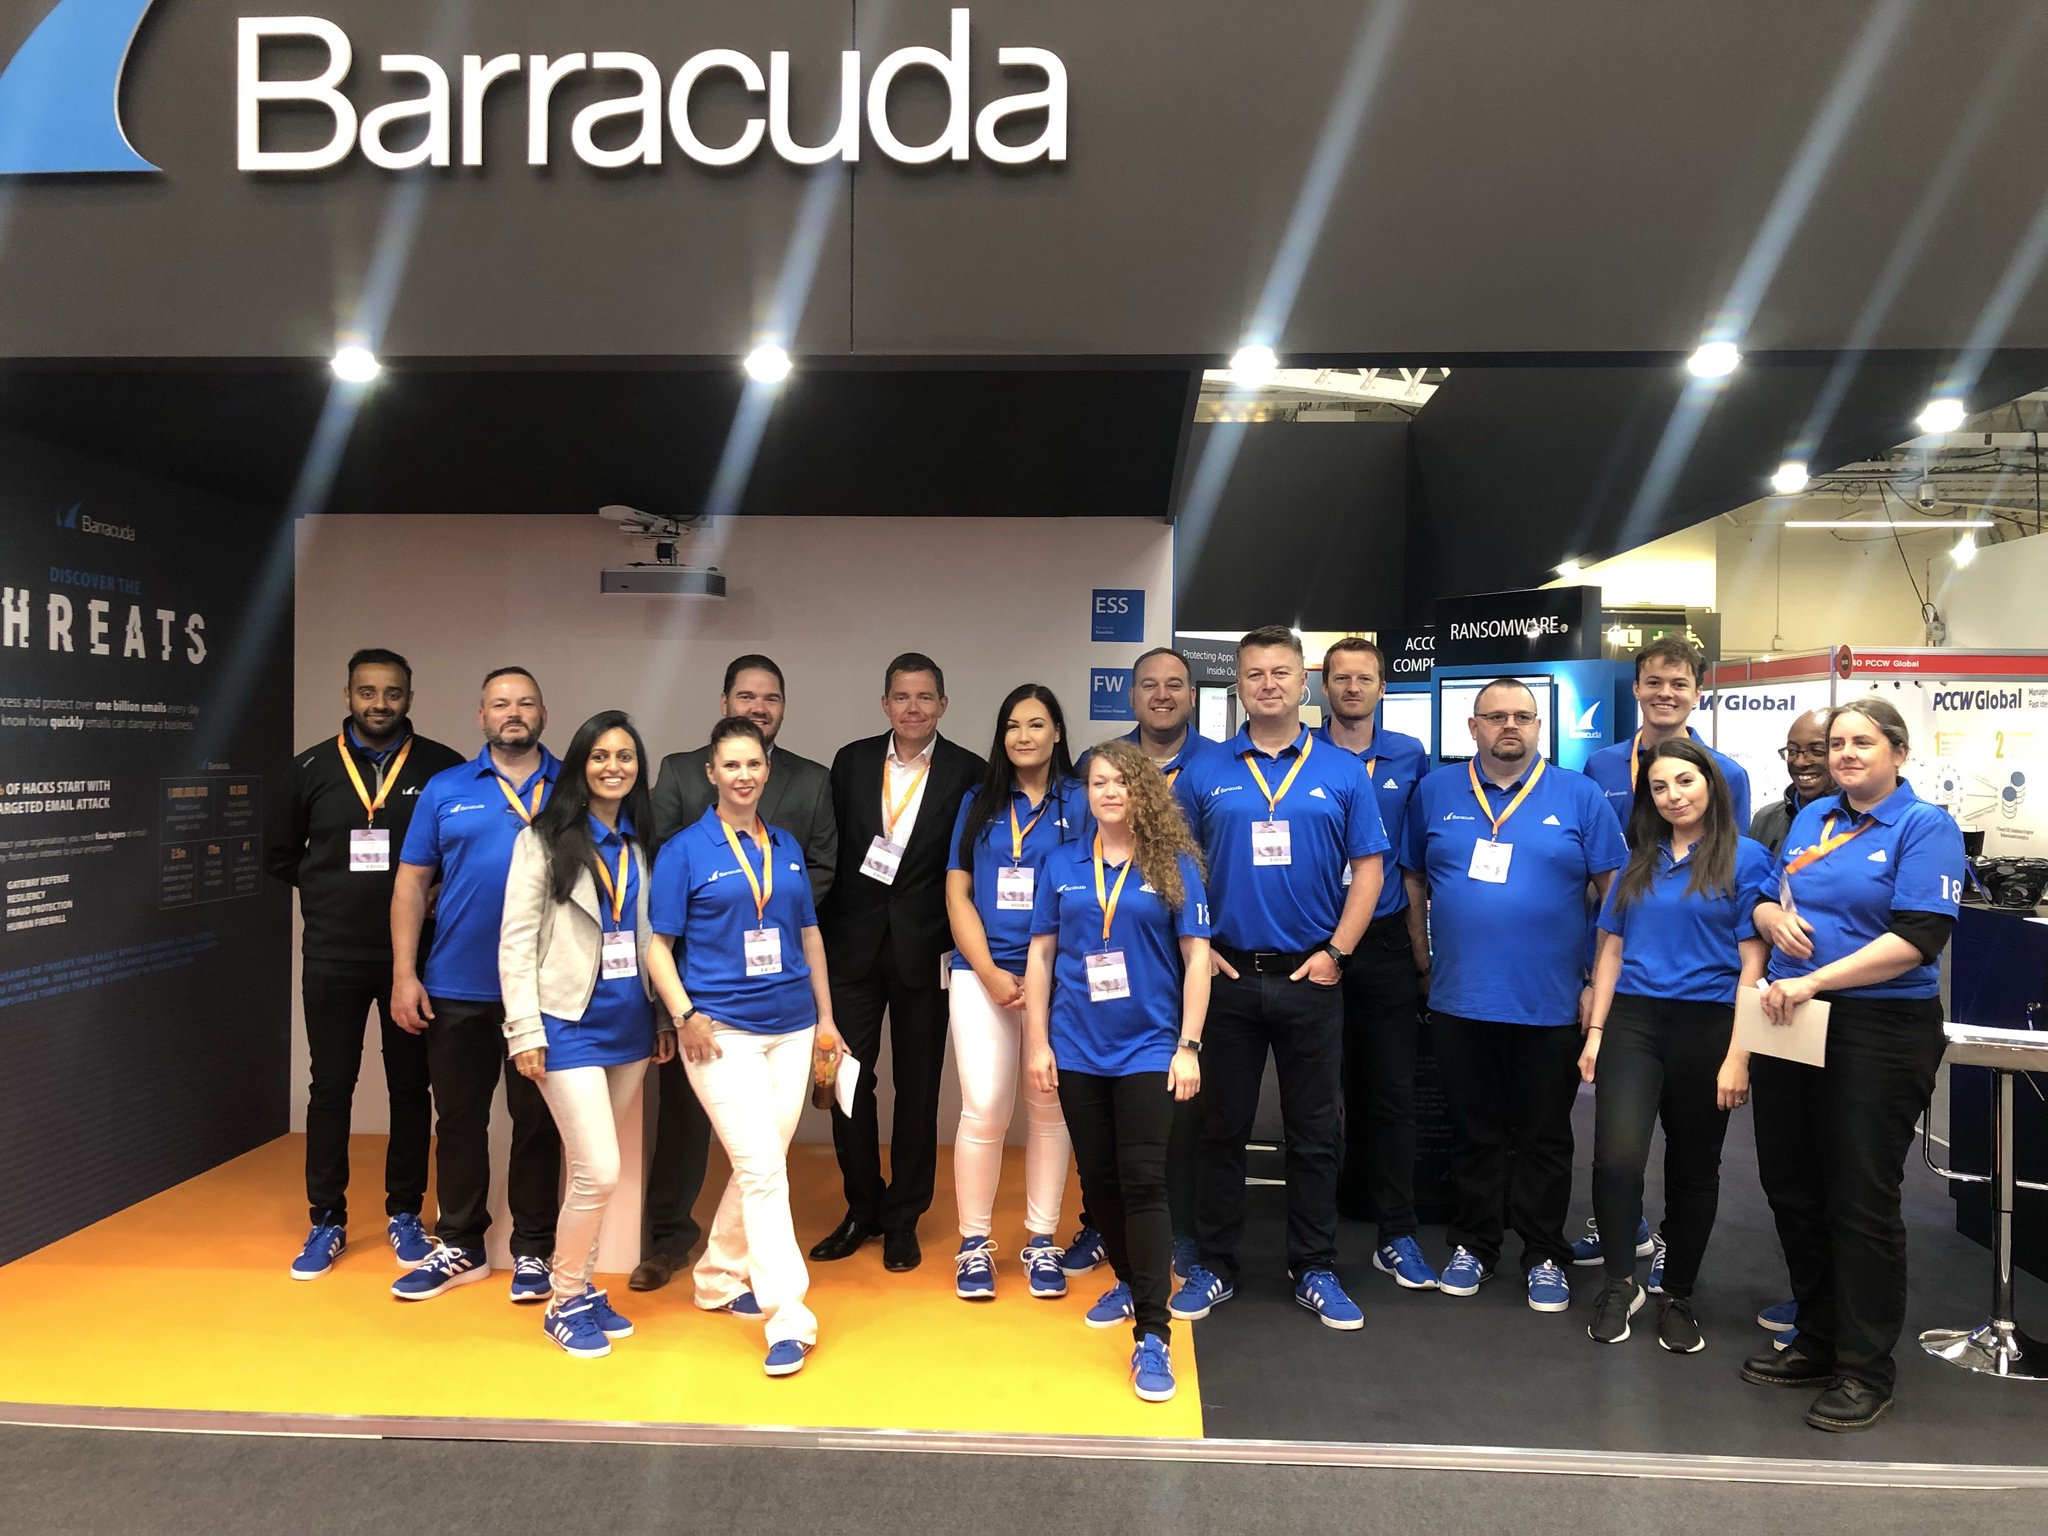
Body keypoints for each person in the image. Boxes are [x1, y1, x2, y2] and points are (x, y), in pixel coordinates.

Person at [1741, 698, 1962, 1432]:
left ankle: (1865, 1369)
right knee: (1793, 1185)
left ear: (1898, 751)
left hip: (1878, 1025)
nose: (1844, 754)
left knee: (1860, 1197)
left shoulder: (1924, 827)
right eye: (1836, 743)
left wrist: (1815, 980)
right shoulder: (1813, 818)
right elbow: (1768, 895)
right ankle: (1817, 1337)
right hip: (1792, 1018)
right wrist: (1771, 917)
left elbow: (1919, 937)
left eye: (1862, 742)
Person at [1168, 625, 1386, 1331]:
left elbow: (1370, 870)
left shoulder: (1342, 771)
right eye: (1255, 673)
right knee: (1220, 1129)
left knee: (1316, 1132)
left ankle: (1314, 1265)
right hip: (1228, 975)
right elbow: (1177, 865)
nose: (1268, 684)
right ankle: (1216, 1264)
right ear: (1238, 685)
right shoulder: (1204, 769)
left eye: (1281, 673)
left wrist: (1339, 953)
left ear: (1304, 683)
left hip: (1311, 976)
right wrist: (1200, 948)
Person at [1403, 678, 1627, 1313]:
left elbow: (1615, 892)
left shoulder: (1579, 795)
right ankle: (1474, 1244)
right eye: (1496, 716)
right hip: (1460, 998)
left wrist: (1596, 983)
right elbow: (1413, 877)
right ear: (1472, 727)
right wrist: (1422, 958)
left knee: (1543, 1136)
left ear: (1538, 727)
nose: (1510, 726)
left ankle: (1544, 1253)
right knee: (1472, 1133)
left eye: (1522, 717)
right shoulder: (1435, 791)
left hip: (1550, 1001)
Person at [631, 656, 838, 1294]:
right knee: (753, 1164)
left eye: (753, 765)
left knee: (762, 1159)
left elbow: (810, 922)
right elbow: (660, 923)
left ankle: (719, 1273)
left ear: (766, 768)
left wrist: (826, 1019)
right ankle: (785, 1305)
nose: (744, 774)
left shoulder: (793, 829)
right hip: (714, 1015)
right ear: (711, 770)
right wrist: (680, 1013)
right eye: (732, 765)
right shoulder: (682, 825)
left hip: (790, 1019)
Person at [265, 648, 463, 1279]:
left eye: (393, 693)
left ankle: (405, 1212)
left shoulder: (442, 768)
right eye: (368, 692)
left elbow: (461, 853)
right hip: (333, 954)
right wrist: (332, 890)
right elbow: (279, 854)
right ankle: (327, 1218)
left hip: (415, 959)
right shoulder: (309, 769)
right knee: (330, 1087)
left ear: (410, 698)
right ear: (348, 695)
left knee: (411, 1086)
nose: (380, 704)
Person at [1026, 738, 1211, 1401]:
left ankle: (1153, 1335)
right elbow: (1041, 956)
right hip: (1077, 1046)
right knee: (1099, 1179)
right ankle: (1132, 1282)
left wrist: (1188, 1045)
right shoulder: (1061, 863)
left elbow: (1197, 957)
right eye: (1098, 782)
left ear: (1143, 792)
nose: (1109, 792)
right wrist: (1038, 1042)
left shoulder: (1174, 863)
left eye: (1121, 781)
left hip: (1148, 1047)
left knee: (1143, 1180)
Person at [1578, 739, 1771, 1351]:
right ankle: (1619, 1284)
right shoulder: (1639, 859)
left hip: (1709, 1025)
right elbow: (1611, 949)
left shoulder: (1747, 859)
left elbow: (1753, 964)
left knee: (1693, 1165)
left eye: (1685, 781)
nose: (1673, 796)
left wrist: (1739, 1053)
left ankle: (1679, 1293)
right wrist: (1596, 1033)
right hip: (1634, 1021)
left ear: (1711, 784)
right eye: (1660, 787)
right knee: (1616, 1160)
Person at [500, 711, 675, 1358]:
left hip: (629, 1025)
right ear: (580, 765)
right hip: (565, 1024)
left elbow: (650, 937)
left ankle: (584, 1289)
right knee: (598, 1171)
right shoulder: (543, 840)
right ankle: (564, 1298)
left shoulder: (639, 841)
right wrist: (523, 1030)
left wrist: (662, 1016)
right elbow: (516, 941)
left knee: (591, 1170)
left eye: (625, 757)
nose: (613, 767)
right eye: (600, 756)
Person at [1575, 637, 1748, 1279]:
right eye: (1654, 681)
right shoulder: (1600, 766)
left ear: (1698, 692)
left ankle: (1677, 1274)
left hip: (1702, 993)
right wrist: (1594, 987)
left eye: (1679, 683)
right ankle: (1622, 1237)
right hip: (1626, 966)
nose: (1665, 693)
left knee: (1692, 1153)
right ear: (1636, 689)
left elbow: (1730, 876)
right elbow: (1594, 872)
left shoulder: (1728, 773)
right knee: (1617, 1150)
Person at [389, 667, 564, 1303]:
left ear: (543, 713)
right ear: (481, 716)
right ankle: (460, 1244)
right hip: (458, 984)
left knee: (537, 1123)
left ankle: (534, 1250)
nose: (513, 713)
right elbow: (412, 883)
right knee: (459, 1119)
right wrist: (404, 973)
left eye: (525, 702)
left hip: (545, 992)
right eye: (500, 704)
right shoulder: (446, 788)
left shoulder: (574, 785)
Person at [811, 653, 986, 1273]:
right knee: (848, 1081)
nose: (913, 708)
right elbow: (832, 850)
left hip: (926, 949)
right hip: (852, 946)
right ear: (885, 704)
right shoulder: (851, 762)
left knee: (918, 1088)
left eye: (925, 697)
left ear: (943, 704)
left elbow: (971, 865)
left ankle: (904, 1216)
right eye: (902, 697)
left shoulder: (969, 771)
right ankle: (862, 1206)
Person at [1058, 646, 1222, 1284]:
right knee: (1105, 1159)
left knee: (1158, 1151)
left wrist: (1201, 944)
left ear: (1191, 694)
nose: (1161, 694)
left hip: (1166, 991)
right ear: (1131, 696)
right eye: (1149, 684)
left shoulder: (1215, 763)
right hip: (1089, 1019)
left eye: (1174, 684)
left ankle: (1170, 1247)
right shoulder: (1093, 776)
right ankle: (1115, 1244)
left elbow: (1212, 866)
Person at [944, 684, 1085, 1300]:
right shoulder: (977, 800)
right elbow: (957, 893)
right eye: (1012, 726)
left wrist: (1040, 977)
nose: (1023, 736)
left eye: (1036, 724)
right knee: (984, 1107)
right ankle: (973, 1244)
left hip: (1058, 978)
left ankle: (1041, 1240)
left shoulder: (1081, 800)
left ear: (1058, 732)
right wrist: (990, 971)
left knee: (1048, 1107)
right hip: (983, 976)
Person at [1317, 637, 1438, 1290]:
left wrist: (1421, 956)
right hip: (1316, 938)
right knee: (1316, 1095)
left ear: (1382, 687)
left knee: (1391, 1093)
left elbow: (1414, 864)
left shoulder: (1410, 756)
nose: (1353, 688)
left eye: (1364, 678)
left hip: (1385, 941)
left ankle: (1398, 1232)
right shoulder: (1304, 753)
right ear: (1325, 687)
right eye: (1341, 678)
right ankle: (1314, 1239)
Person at [1743, 707, 1835, 1344]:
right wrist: (1767, 913)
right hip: (1779, 1003)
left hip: (1846, 1004)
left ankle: (1841, 1315)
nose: (1803, 761)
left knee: (1842, 1170)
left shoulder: (1894, 824)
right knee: (1787, 1170)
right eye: (1793, 750)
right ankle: (1813, 1303)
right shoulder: (1772, 821)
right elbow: (1756, 896)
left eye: (1817, 749)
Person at [1750, 708, 1835, 858]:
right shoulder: (1765, 819)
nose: (1799, 762)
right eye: (1792, 750)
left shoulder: (1864, 820)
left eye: (1817, 751)